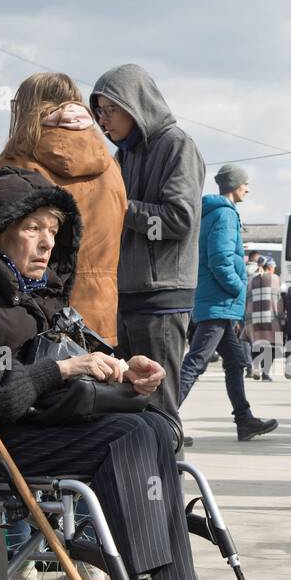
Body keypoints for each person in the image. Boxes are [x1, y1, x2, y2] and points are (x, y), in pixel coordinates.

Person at [0, 167, 242, 580]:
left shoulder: (32, 294)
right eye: (33, 228)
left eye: (53, 230)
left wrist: (125, 368)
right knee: (127, 436)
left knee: (154, 424)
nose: (46, 242)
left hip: (29, 426)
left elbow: (76, 347)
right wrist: (66, 370)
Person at [90, 65, 204, 438]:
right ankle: (138, 489)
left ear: (135, 105)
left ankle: (169, 492)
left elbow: (178, 220)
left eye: (110, 110)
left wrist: (120, 206)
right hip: (125, 294)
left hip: (161, 297)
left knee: (160, 409)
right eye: (99, 112)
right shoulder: (124, 155)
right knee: (127, 402)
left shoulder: (177, 145)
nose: (104, 121)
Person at [0, 72, 127, 346]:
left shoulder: (19, 159)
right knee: (93, 387)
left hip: (36, 313)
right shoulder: (110, 166)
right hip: (100, 314)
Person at [177, 163, 277, 440]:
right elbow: (220, 260)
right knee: (196, 362)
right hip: (218, 301)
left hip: (215, 300)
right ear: (234, 185)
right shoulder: (225, 214)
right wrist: (237, 288)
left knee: (235, 362)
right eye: (245, 183)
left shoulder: (212, 213)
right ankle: (163, 424)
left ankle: (244, 420)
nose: (248, 187)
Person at [246, 256, 282, 381]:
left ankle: (255, 367)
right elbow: (279, 299)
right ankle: (265, 374)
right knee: (270, 346)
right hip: (270, 318)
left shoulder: (251, 279)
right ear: (270, 267)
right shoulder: (275, 279)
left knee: (256, 344)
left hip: (253, 318)